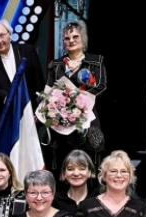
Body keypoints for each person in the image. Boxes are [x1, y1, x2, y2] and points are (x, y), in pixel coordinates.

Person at [43, 21, 108, 170]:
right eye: (67, 38)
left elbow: (101, 87)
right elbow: (48, 90)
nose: (71, 40)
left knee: (89, 161)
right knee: (63, 162)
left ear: (83, 38)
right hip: (61, 122)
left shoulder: (96, 62)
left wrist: (77, 99)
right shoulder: (56, 64)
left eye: (75, 36)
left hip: (88, 119)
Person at [0, 19, 45, 118]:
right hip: (5, 115)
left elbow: (39, 82)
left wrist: (39, 110)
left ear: (10, 34)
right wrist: (4, 97)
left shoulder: (27, 51)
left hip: (32, 112)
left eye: (2, 35)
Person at [54, 149, 99, 214]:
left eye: (82, 169)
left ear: (90, 172)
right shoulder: (55, 201)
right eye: (70, 169)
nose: (76, 173)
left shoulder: (99, 200)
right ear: (64, 174)